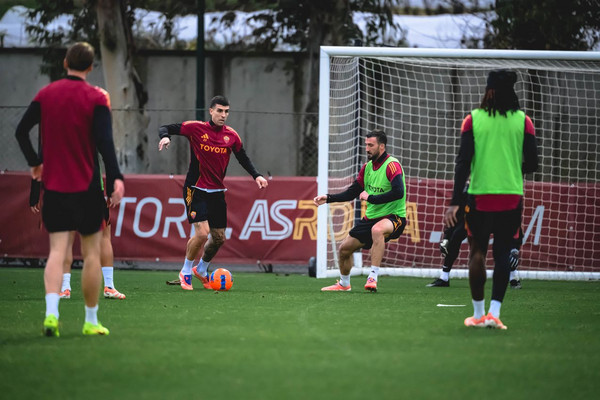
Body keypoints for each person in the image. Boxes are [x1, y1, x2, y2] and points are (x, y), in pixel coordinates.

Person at [15, 42, 125, 337]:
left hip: (55, 187)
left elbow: (21, 131)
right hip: (87, 188)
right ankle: (90, 320)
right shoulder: (97, 97)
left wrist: (34, 163)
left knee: (57, 251)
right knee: (91, 255)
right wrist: (116, 178)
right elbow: (105, 143)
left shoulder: (46, 94)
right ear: (90, 67)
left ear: (65, 63)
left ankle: (51, 315)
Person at [443, 69, 538, 330]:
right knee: (503, 253)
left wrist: (454, 201)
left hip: (480, 196)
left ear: (489, 91)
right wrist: (511, 169)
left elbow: (463, 162)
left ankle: (477, 314)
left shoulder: (473, 120)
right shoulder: (524, 121)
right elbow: (533, 163)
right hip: (511, 197)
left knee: (477, 252)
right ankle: (494, 314)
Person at [158, 95, 268, 290]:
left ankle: (201, 269)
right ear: (211, 111)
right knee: (202, 233)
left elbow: (242, 157)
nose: (223, 115)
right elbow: (165, 127)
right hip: (195, 188)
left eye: (226, 111)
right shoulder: (196, 128)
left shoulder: (231, 136)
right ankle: (185, 272)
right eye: (219, 111)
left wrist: (256, 175)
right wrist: (165, 137)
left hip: (217, 192)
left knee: (219, 238)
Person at [314, 129, 407, 292]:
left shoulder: (392, 165)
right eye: (366, 145)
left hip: (394, 217)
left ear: (382, 146)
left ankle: (372, 277)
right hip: (371, 218)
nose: (367, 149)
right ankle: (344, 284)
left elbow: (398, 192)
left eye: (371, 145)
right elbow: (351, 193)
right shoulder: (367, 168)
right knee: (344, 249)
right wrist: (328, 198)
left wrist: (371, 198)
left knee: (377, 230)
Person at [30, 166, 126, 300]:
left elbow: (39, 163)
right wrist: (110, 189)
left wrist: (35, 193)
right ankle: (109, 286)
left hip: (65, 192)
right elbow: (107, 157)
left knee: (65, 241)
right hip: (92, 190)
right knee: (103, 238)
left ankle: (65, 288)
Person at [428, 182, 523, 289]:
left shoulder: (502, 192)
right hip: (478, 219)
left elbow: (514, 224)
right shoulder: (468, 191)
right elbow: (459, 214)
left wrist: (515, 248)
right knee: (456, 236)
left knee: (505, 247)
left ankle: (513, 277)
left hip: (498, 218)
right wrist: (447, 237)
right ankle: (444, 277)